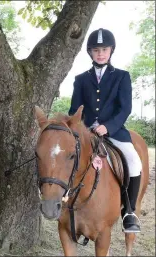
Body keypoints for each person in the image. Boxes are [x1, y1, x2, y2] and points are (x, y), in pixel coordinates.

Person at [68, 28, 142, 233]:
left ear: (111, 51)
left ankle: (129, 212)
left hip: (114, 132)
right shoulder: (81, 79)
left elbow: (125, 108)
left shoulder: (122, 77)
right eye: (96, 49)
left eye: (104, 49)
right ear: (90, 52)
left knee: (134, 161)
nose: (100, 53)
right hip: (87, 133)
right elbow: (75, 110)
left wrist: (108, 127)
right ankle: (65, 200)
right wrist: (82, 128)